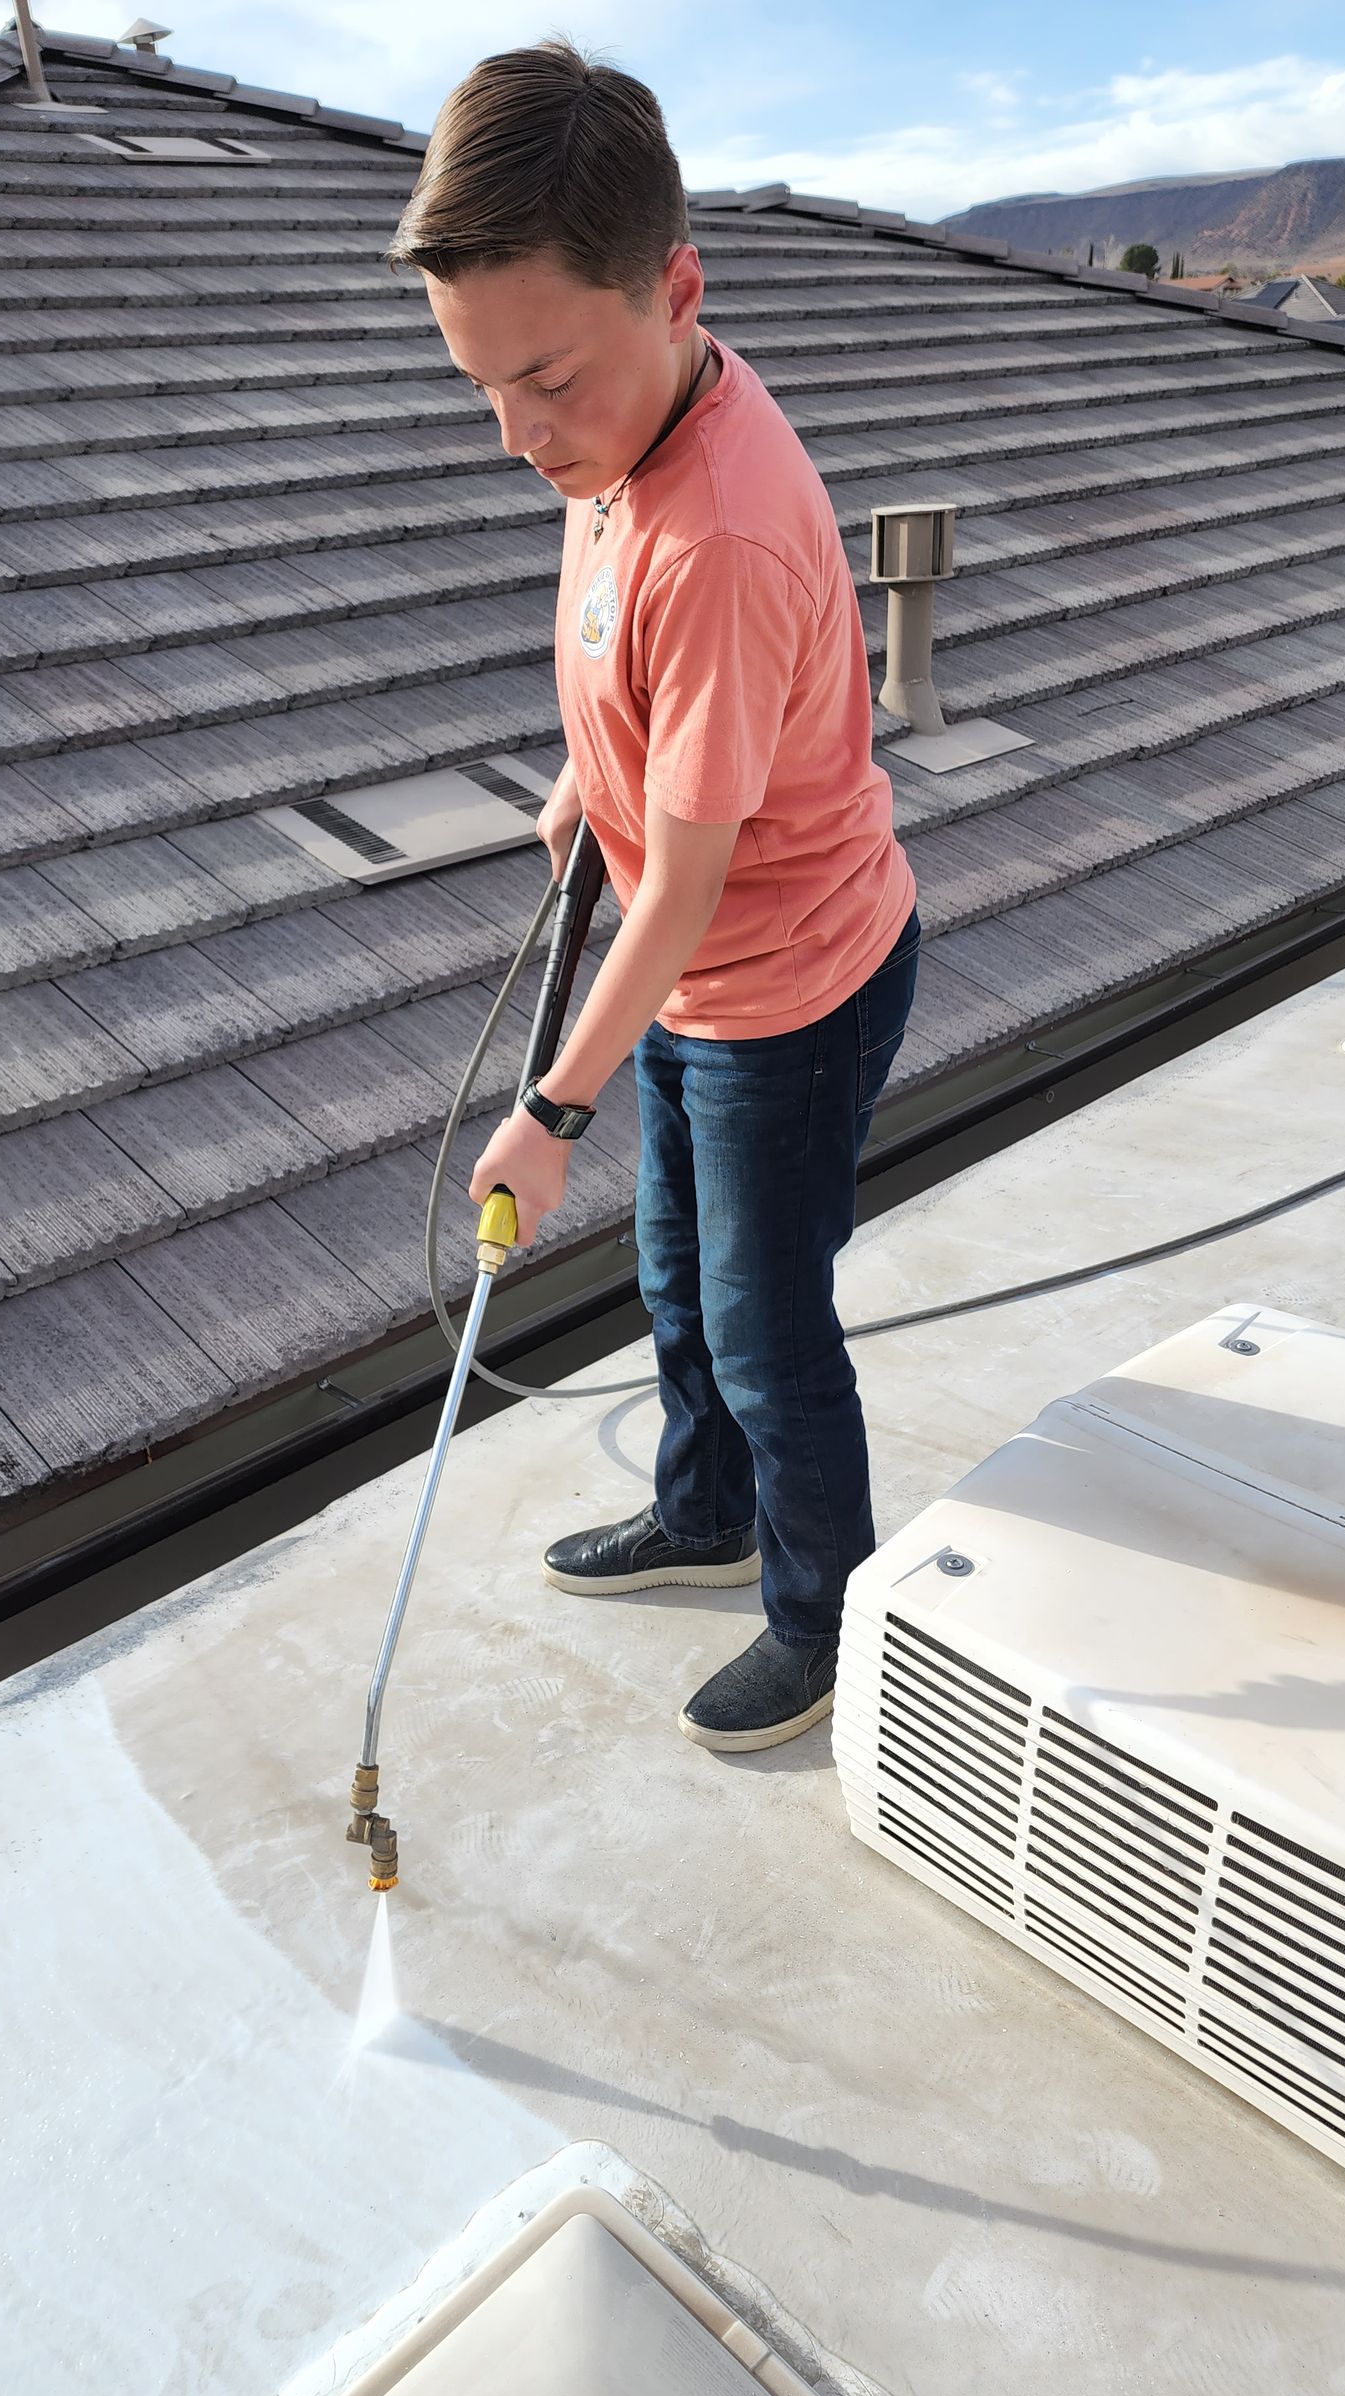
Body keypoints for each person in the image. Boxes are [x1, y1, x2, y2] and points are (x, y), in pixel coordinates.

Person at [388, 39, 920, 1751]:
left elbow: (682, 896)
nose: (517, 435)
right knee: (682, 1284)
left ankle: (828, 1617)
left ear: (675, 288)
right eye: (480, 387)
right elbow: (649, 700)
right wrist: (587, 776)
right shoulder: (619, 437)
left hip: (788, 983)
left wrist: (549, 1107)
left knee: (768, 1328)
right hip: (703, 972)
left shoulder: (723, 536)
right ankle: (700, 1514)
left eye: (544, 379)